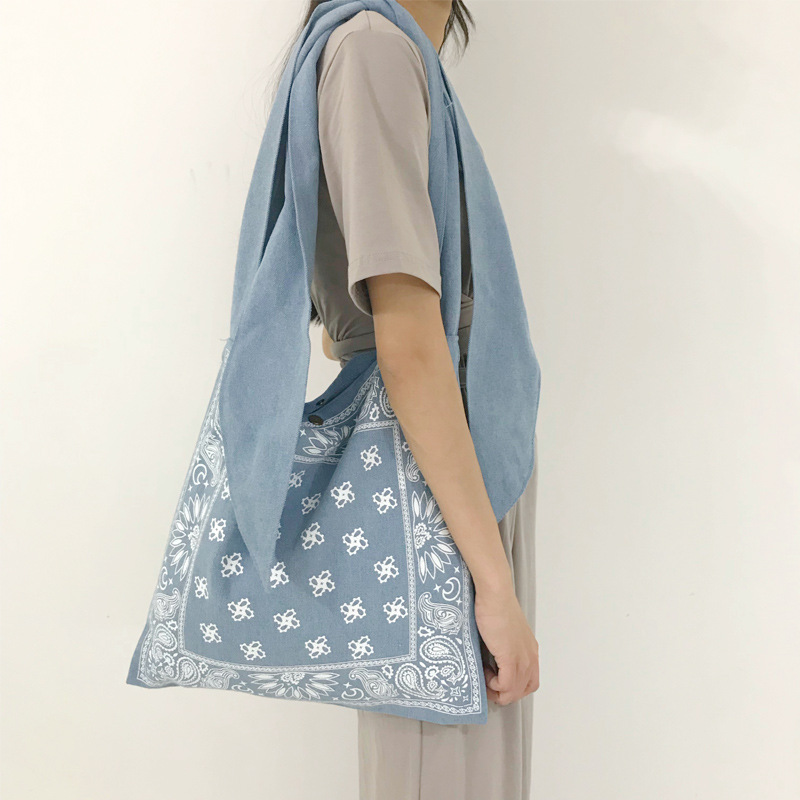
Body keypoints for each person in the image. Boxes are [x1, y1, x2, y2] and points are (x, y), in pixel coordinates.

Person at [282, 2, 540, 798]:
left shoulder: (394, 53)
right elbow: (406, 341)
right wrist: (493, 584)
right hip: (431, 477)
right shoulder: (372, 51)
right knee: (445, 773)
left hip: (453, 464)